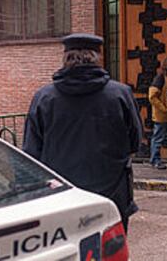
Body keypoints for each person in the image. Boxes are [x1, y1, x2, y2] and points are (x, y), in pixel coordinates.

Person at [22, 33, 142, 233]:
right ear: (98, 57)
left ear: (65, 57)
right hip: (111, 192)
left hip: (62, 195)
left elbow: (31, 152)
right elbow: (135, 142)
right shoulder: (120, 94)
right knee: (110, 249)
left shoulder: (44, 97)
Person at [148, 57, 167, 169]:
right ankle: (155, 160)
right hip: (161, 115)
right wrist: (164, 108)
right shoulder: (160, 78)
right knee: (158, 137)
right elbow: (152, 97)